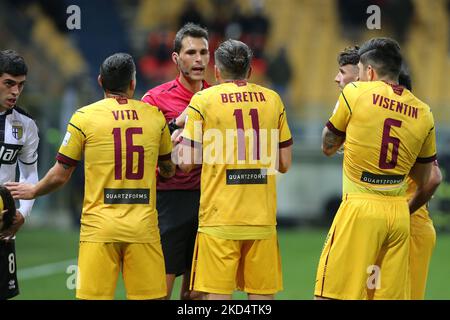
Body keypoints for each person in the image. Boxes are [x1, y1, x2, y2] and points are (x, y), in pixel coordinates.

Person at [7, 53, 175, 300]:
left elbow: (60, 175)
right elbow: (169, 170)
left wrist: (33, 190)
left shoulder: (84, 118)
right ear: (132, 83)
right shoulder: (155, 117)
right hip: (142, 229)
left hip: (99, 229)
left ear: (100, 81)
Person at [315, 37, 438, 300]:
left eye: (358, 72)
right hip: (399, 214)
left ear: (369, 72)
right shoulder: (423, 112)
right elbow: (426, 175)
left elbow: (327, 144)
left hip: (360, 207)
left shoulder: (356, 93)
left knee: (329, 294)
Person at [177, 39, 293, 300]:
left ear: (216, 72)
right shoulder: (273, 99)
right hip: (261, 220)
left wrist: (190, 141)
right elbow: (284, 163)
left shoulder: (203, 100)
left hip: (220, 220)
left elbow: (186, 163)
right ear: (250, 71)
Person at [141, 22, 210, 300]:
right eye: (191, 52)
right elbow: (145, 148)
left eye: (204, 52)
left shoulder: (215, 98)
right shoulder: (155, 99)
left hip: (209, 200)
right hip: (169, 201)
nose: (198, 59)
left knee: (197, 294)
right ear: (175, 58)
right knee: (159, 290)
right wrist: (174, 125)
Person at [0, 50, 39, 300]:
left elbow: (29, 174)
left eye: (20, 85)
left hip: (2, 225)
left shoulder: (25, 124)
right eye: (9, 84)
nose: (15, 92)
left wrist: (22, 214)